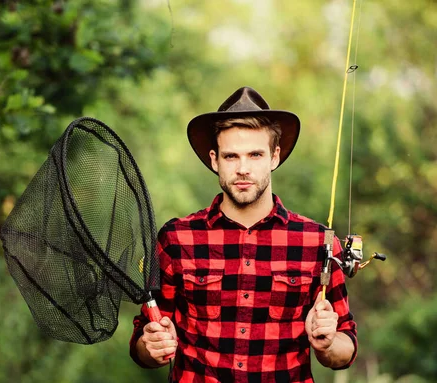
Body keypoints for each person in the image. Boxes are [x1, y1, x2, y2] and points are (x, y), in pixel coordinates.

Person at [129, 87, 357, 382]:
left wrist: (327, 344)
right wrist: (152, 346)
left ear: (274, 157)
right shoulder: (177, 239)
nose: (243, 168)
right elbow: (142, 347)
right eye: (231, 156)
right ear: (215, 160)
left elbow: (346, 347)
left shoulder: (317, 242)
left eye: (255, 154)